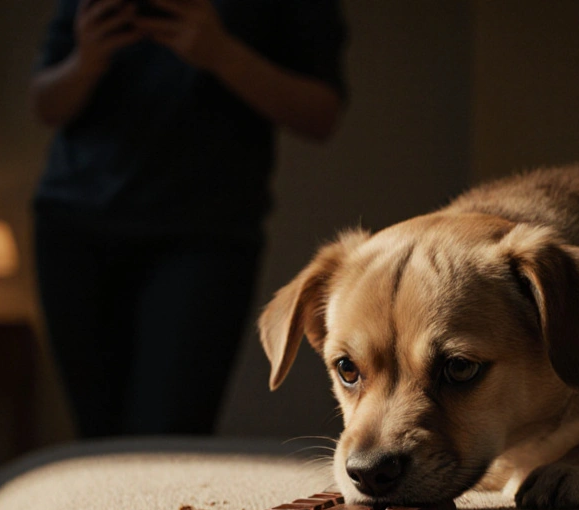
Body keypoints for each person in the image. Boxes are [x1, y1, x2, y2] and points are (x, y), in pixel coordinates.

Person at [28, 0, 346, 437]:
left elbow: (321, 112)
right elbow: (44, 103)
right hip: (74, 229)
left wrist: (220, 52)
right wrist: (87, 60)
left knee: (167, 437)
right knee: (95, 438)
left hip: (205, 237)